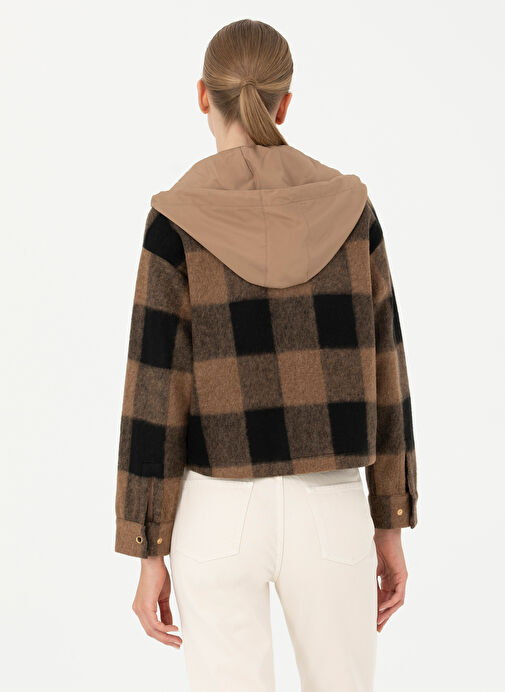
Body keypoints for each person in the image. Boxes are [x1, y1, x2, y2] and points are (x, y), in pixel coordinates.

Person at [114, 18, 418, 692]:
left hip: (217, 511)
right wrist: (389, 519)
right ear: (283, 104)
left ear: (204, 95)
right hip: (331, 508)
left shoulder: (175, 221)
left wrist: (147, 544)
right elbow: (386, 372)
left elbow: (154, 392)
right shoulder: (351, 210)